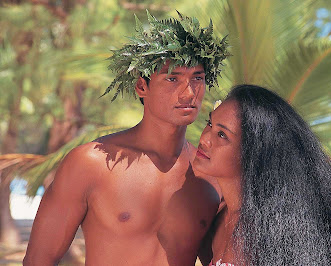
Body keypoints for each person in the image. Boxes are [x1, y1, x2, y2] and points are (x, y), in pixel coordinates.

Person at [24, 11, 229, 265]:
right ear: (142, 87)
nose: (189, 93)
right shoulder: (91, 164)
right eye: (172, 78)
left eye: (197, 78)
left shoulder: (209, 177)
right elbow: (38, 260)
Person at [194, 84, 331, 266]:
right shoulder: (217, 217)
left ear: (253, 153)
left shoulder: (271, 229)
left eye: (221, 134)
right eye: (209, 123)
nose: (204, 139)